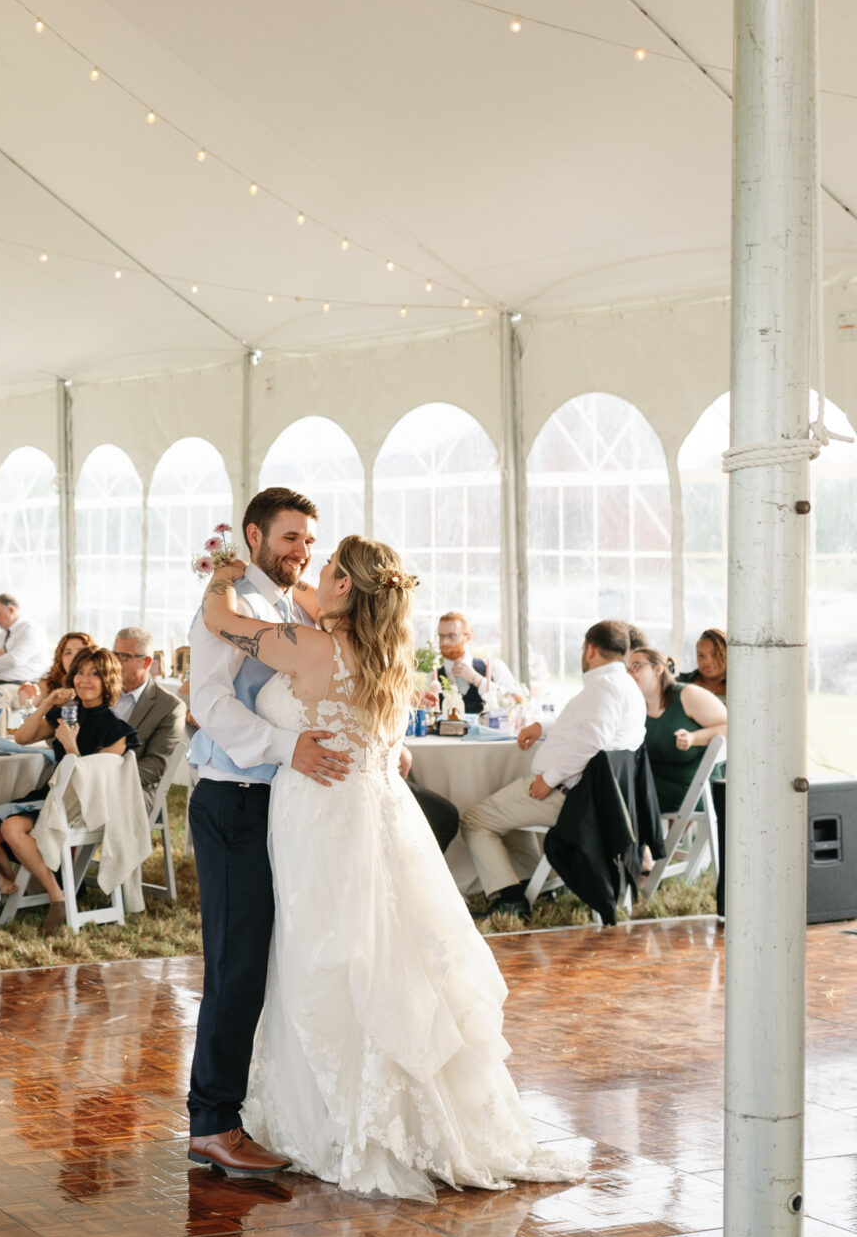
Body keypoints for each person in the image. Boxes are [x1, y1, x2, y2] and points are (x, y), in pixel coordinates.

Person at [200, 535, 587, 1199]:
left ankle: (338, 1116)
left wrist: (222, 576)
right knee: (373, 951)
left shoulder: (318, 649)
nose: (315, 574)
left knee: (324, 956)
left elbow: (223, 623)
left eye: (325, 569)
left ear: (347, 588)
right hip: (362, 816)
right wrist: (284, 585)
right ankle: (389, 1111)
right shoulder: (382, 654)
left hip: (320, 822)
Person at [183, 488, 350, 1178]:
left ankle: (249, 1107)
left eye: (309, 540)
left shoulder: (282, 603)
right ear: (254, 535)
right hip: (232, 802)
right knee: (235, 965)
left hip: (276, 807)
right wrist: (286, 748)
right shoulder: (230, 608)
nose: (301, 551)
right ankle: (212, 1122)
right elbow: (209, 701)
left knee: (270, 960)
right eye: (289, 539)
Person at [460, 620, 648, 915]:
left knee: (475, 819)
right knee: (505, 814)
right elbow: (584, 728)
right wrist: (542, 726)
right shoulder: (626, 686)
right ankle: (529, 881)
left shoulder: (603, 687)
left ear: (590, 649)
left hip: (572, 798)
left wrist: (549, 779)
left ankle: (508, 899)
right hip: (604, 799)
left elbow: (592, 743)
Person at [0, 646, 139, 932]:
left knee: (10, 828)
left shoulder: (117, 729)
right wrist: (48, 702)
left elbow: (98, 783)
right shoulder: (68, 714)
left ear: (108, 680)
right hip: (53, 796)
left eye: (94, 674)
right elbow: (22, 737)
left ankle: (54, 896)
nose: (84, 680)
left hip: (81, 805)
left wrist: (71, 748)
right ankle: (25, 886)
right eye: (80, 673)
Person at [628, 644, 727, 813]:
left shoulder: (688, 695)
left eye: (636, 666)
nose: (630, 673)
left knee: (619, 798)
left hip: (693, 789)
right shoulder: (635, 706)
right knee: (611, 790)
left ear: (658, 669)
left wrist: (693, 738)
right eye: (627, 669)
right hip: (654, 784)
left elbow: (731, 727)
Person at [111, 628, 187, 805]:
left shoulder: (170, 707)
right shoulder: (100, 691)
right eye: (114, 654)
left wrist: (106, 779)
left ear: (146, 662)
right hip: (88, 780)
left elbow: (155, 767)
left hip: (136, 790)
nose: (115, 662)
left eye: (124, 657)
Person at [419, 610, 517, 714]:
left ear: (468, 637)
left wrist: (478, 680)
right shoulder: (431, 679)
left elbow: (515, 702)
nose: (444, 642)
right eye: (441, 636)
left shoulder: (495, 668)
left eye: (451, 636)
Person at [0, 594, 48, 685]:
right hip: (1, 684)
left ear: (11, 610)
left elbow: (14, 660)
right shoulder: (3, 634)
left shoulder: (31, 629)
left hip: (22, 685)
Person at [680, 627, 728, 699]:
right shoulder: (681, 684)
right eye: (701, 656)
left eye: (714, 654)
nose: (706, 661)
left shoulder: (742, 686)